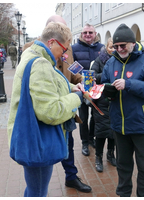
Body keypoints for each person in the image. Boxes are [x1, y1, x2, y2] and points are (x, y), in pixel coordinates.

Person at [7, 22, 84, 197]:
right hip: (38, 140)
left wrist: (72, 87)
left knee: (34, 188)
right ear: (51, 43)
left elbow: (51, 83)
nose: (63, 54)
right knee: (38, 191)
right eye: (63, 49)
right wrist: (76, 98)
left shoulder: (32, 54)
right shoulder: (41, 63)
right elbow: (51, 111)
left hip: (30, 135)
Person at [101, 23, 144, 197]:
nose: (119, 49)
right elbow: (106, 87)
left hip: (141, 124)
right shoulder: (111, 63)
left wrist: (129, 84)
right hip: (119, 124)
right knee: (123, 165)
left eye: (123, 45)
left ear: (133, 42)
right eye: (116, 46)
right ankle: (123, 194)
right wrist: (101, 90)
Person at [46, 15, 91, 193]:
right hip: (49, 108)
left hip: (66, 108)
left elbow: (74, 70)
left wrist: (88, 81)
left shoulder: (68, 49)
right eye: (57, 28)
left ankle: (71, 177)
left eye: (64, 28)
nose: (62, 33)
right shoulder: (34, 51)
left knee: (68, 144)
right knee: (47, 146)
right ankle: (41, 185)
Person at [72, 23, 104, 156]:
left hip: (96, 88)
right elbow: (72, 66)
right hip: (81, 87)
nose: (88, 35)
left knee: (96, 117)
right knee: (83, 117)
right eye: (85, 32)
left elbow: (104, 66)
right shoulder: (74, 48)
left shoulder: (102, 48)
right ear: (81, 34)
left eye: (90, 32)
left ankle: (92, 138)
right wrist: (81, 79)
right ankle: (85, 142)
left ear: (95, 34)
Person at [90, 37, 116, 172]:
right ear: (106, 47)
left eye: (115, 47)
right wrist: (106, 76)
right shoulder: (99, 60)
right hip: (101, 100)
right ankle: (98, 157)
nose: (113, 50)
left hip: (115, 100)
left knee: (113, 131)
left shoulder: (119, 60)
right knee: (101, 131)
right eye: (111, 47)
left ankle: (111, 154)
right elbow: (93, 75)